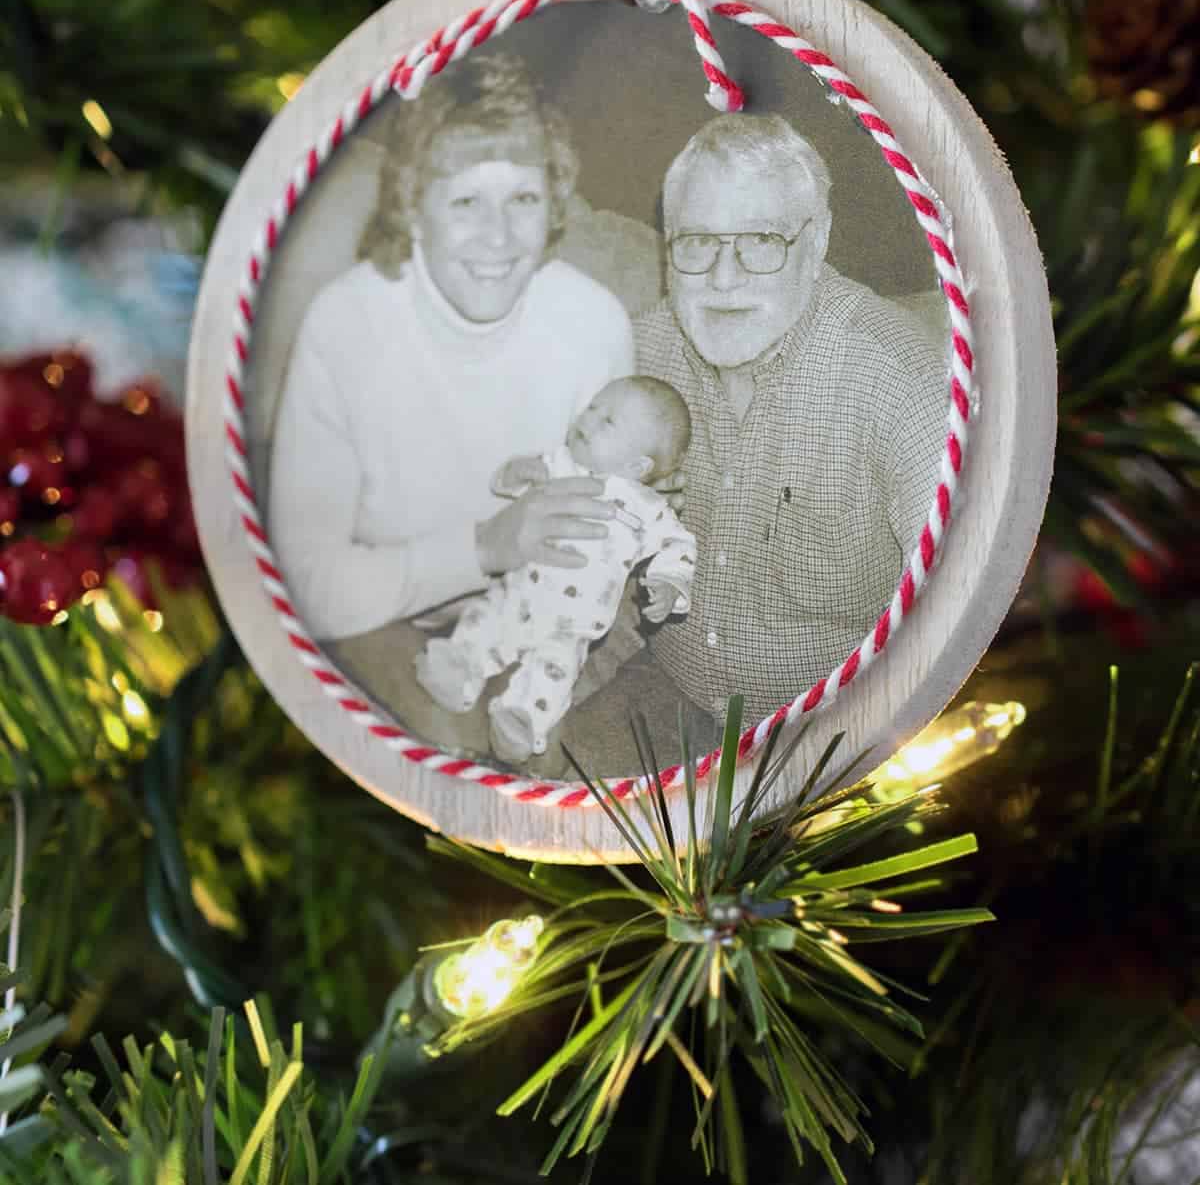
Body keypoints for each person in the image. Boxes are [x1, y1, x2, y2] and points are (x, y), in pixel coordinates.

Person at [267, 54, 634, 644]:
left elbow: (599, 553)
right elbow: (305, 589)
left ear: (555, 205)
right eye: (466, 202)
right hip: (373, 628)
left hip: (535, 630)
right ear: (414, 208)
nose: (498, 237)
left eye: (523, 200)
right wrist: (486, 546)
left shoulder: (597, 327)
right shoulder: (344, 327)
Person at [631, 113, 947, 723]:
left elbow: (954, 610)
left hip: (829, 735)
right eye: (697, 242)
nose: (724, 279)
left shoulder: (899, 381)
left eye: (762, 241)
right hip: (654, 696)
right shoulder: (641, 350)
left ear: (818, 239)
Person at [414, 375, 696, 763]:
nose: (588, 418)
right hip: (519, 594)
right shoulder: (561, 464)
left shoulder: (648, 509)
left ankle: (521, 721)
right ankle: (459, 667)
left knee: (554, 673)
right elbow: (517, 482)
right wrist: (513, 474)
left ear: (637, 465)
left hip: (571, 627)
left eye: (607, 421)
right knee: (486, 620)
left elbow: (677, 546)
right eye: (593, 407)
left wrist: (668, 583)